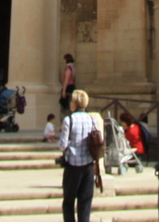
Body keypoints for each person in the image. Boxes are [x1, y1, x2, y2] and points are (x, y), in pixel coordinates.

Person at [58, 89, 100, 222]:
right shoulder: (92, 119)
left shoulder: (68, 120)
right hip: (88, 166)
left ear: (74, 104)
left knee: (68, 203)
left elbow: (63, 145)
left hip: (73, 166)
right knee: (85, 203)